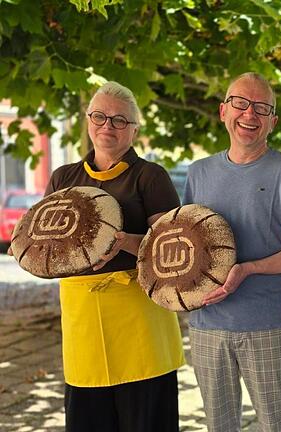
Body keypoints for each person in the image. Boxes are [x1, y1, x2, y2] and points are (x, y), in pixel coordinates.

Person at [16, 81, 185, 431]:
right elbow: (46, 243)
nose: (108, 125)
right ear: (88, 121)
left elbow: (170, 247)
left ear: (134, 130)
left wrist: (122, 242)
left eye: (119, 120)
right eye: (100, 116)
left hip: (140, 320)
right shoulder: (64, 176)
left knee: (147, 420)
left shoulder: (150, 177)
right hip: (83, 324)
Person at [183, 72, 281, 432]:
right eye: (241, 104)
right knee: (219, 426)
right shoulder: (198, 173)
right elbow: (186, 243)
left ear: (273, 121)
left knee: (276, 426)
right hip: (207, 324)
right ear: (223, 111)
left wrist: (247, 268)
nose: (250, 115)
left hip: (269, 325)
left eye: (261, 108)